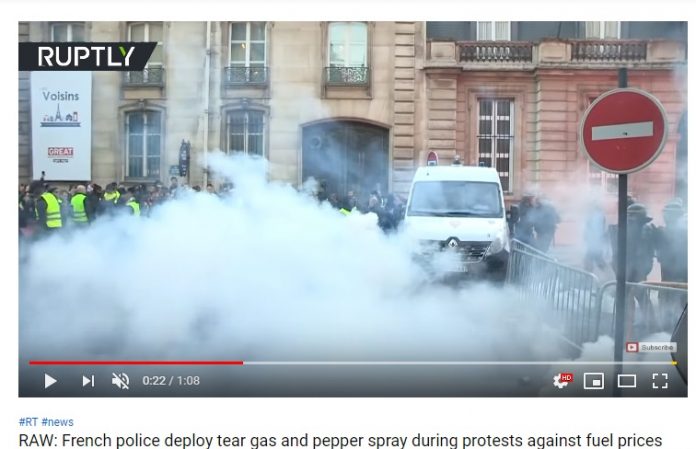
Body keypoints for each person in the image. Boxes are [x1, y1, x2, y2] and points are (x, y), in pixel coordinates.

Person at [653, 200, 688, 331]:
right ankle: (668, 326)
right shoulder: (662, 232)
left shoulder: (685, 232)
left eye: (668, 215)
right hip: (668, 272)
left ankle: (679, 328)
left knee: (681, 300)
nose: (665, 217)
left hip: (682, 272)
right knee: (667, 298)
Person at [583, 202, 608, 272]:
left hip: (595, 239)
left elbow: (595, 228)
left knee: (591, 256)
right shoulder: (599, 215)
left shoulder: (597, 216)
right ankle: (604, 270)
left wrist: (587, 236)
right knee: (596, 257)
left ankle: (589, 272)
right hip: (595, 239)